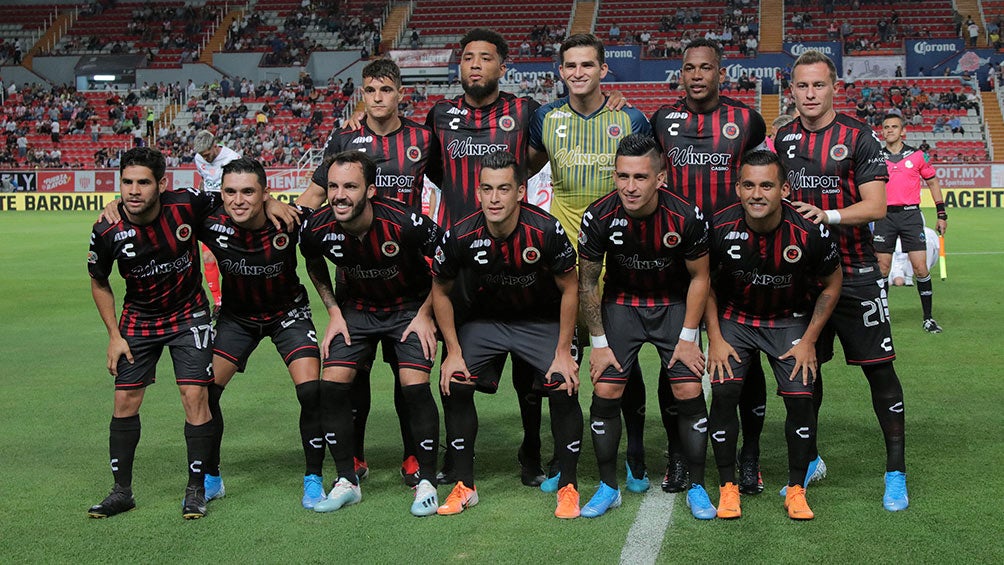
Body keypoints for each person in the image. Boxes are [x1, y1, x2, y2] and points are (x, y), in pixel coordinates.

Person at [774, 50, 910, 512]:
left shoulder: (859, 136)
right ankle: (809, 460)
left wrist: (826, 215)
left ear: (834, 88)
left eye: (818, 86)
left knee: (880, 371)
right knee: (803, 370)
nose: (809, 94)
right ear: (791, 90)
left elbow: (875, 206)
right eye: (801, 86)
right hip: (801, 277)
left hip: (855, 274)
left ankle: (896, 473)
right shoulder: (783, 137)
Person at [297, 58, 438, 486]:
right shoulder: (345, 137)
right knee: (352, 376)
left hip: (409, 273)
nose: (377, 99)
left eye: (385, 90)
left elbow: (456, 183)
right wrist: (278, 211)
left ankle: (414, 455)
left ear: (400, 94)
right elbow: (317, 194)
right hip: (355, 279)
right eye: (370, 91)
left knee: (406, 374)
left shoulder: (422, 138)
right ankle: (353, 454)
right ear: (363, 94)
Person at [527, 33, 652, 495]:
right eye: (570, 66)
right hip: (564, 255)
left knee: (623, 357)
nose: (578, 73)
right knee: (566, 357)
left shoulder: (630, 117)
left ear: (603, 70)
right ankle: (566, 458)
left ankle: (635, 454)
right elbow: (519, 168)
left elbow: (648, 176)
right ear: (561, 71)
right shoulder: (546, 119)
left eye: (587, 65)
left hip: (618, 253)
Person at [431, 150, 582, 518]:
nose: (495, 198)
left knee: (564, 383)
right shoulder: (461, 234)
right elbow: (440, 289)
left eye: (503, 189)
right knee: (455, 381)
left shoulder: (545, 229)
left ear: (520, 192)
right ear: (478, 193)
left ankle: (568, 486)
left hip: (539, 321)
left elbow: (570, 288)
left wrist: (564, 350)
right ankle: (464, 485)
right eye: (487, 189)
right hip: (486, 322)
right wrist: (452, 351)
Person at [649, 38, 768, 495]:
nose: (697, 75)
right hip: (677, 259)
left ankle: (749, 457)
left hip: (736, 257)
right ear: (680, 73)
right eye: (689, 68)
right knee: (674, 358)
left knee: (745, 358)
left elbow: (763, 173)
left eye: (706, 68)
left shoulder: (747, 121)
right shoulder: (661, 120)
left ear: (722, 73)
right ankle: (678, 457)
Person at [577, 134, 712, 519]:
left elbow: (700, 278)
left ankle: (698, 487)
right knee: (605, 387)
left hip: (673, 305)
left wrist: (689, 337)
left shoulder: (687, 215)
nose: (630, 187)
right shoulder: (598, 215)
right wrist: (599, 343)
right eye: (622, 176)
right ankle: (608, 487)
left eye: (639, 177)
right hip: (622, 305)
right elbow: (587, 282)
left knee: (688, 388)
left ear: (660, 178)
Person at [706, 150, 842, 521]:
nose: (757, 194)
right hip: (736, 318)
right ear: (737, 188)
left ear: (784, 188)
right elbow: (706, 284)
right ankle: (727, 487)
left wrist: (810, 340)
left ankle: (797, 489)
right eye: (748, 185)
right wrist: (715, 337)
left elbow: (832, 284)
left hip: (789, 320)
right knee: (724, 390)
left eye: (767, 185)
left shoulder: (811, 230)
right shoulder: (718, 226)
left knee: (801, 397)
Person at [86, 147, 217, 519]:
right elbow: (99, 282)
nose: (133, 190)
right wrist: (114, 334)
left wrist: (269, 201)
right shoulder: (107, 229)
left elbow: (238, 197)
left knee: (194, 398)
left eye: (143, 182)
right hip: (138, 321)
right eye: (126, 182)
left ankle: (195, 490)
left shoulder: (186, 204)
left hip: (188, 315)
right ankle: (121, 491)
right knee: (125, 402)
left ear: (162, 184)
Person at [197, 157, 328, 509]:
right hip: (238, 318)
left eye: (249, 192)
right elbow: (162, 204)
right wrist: (118, 201)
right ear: (221, 193)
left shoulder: (289, 221)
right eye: (231, 192)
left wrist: (274, 203)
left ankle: (313, 479)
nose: (238, 200)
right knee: (205, 396)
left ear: (264, 193)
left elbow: (334, 206)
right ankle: (211, 478)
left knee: (311, 393)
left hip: (288, 313)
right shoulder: (210, 219)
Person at [875, 114, 947, 332]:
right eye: (886, 127)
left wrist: (941, 214)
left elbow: (932, 182)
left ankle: (928, 318)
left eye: (894, 127)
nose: (889, 130)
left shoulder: (917, 156)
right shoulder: (876, 156)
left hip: (910, 216)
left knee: (920, 267)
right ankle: (881, 318)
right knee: (882, 269)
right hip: (884, 217)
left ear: (903, 131)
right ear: (882, 131)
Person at [193, 130, 242, 311]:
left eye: (207, 154)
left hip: (230, 212)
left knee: (232, 258)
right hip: (209, 212)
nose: (204, 158)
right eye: (202, 155)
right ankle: (219, 302)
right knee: (207, 256)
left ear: (215, 146)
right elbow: (204, 180)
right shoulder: (199, 159)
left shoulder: (232, 159)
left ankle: (239, 299)